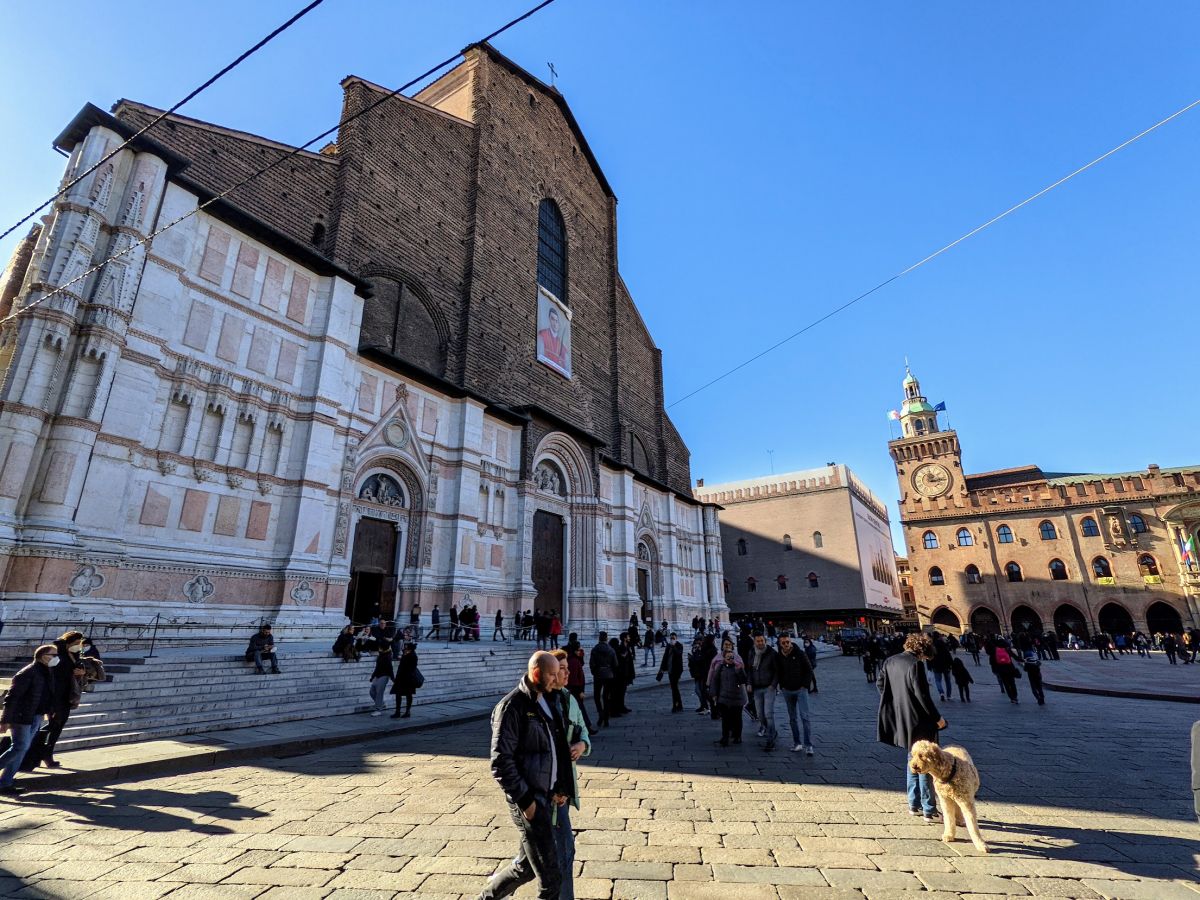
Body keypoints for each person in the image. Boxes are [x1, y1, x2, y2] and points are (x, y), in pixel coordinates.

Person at [479, 651, 572, 900]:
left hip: (545, 796)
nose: (557, 679)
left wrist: (559, 787)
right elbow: (500, 762)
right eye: (552, 674)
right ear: (536, 673)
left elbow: (555, 748)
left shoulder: (550, 700)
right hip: (530, 802)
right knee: (551, 879)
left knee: (525, 868)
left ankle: (486, 897)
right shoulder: (512, 707)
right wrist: (527, 803)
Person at [877, 632, 946, 822]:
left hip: (901, 718)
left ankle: (914, 804)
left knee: (913, 760)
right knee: (924, 762)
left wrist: (895, 701)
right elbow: (923, 697)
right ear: (922, 650)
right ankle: (929, 809)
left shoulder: (890, 661)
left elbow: (880, 684)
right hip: (919, 721)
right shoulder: (915, 665)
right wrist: (938, 718)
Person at [549, 649, 590, 900]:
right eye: (562, 668)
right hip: (542, 794)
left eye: (567, 668)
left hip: (562, 790)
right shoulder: (531, 702)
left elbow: (583, 731)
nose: (568, 672)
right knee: (531, 861)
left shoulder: (569, 700)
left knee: (561, 852)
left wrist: (582, 745)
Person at [0, 644, 58, 794]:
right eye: (53, 654)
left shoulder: (47, 672)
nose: (56, 658)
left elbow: (46, 695)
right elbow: (12, 698)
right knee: (20, 747)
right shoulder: (28, 672)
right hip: (21, 716)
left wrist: (50, 711)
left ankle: (5, 783)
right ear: (43, 656)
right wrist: (5, 719)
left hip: (36, 715)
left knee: (21, 749)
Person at [38, 631, 86, 768]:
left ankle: (45, 752)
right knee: (54, 725)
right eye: (76, 643)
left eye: (80, 643)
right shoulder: (57, 654)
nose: (78, 646)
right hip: (56, 696)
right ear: (68, 642)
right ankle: (43, 753)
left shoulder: (74, 655)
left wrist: (80, 673)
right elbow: (53, 675)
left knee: (57, 727)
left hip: (67, 696)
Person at [776, 632, 815, 755]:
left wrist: (805, 685)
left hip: (800, 689)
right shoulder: (779, 656)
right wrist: (781, 686)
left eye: (788, 642)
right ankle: (797, 743)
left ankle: (808, 745)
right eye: (783, 642)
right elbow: (778, 672)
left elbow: (809, 670)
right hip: (787, 690)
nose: (786, 644)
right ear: (780, 644)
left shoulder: (800, 653)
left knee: (805, 717)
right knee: (792, 718)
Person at [708, 648, 748, 747]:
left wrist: (740, 669)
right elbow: (715, 680)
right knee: (725, 719)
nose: (730, 659)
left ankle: (737, 736)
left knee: (737, 718)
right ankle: (725, 737)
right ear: (724, 658)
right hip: (724, 697)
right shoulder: (720, 667)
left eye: (732, 657)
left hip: (737, 698)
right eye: (728, 657)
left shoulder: (738, 666)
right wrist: (714, 694)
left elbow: (744, 680)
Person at [748, 632, 779, 752]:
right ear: (754, 642)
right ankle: (772, 731)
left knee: (768, 714)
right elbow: (749, 669)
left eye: (762, 641)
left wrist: (773, 685)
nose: (760, 643)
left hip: (768, 687)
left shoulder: (771, 653)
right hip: (756, 688)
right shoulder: (751, 653)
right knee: (760, 715)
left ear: (765, 641)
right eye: (758, 641)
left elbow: (777, 671)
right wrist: (749, 683)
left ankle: (770, 740)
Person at [588, 632, 616, 729]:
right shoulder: (611, 650)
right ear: (606, 638)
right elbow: (615, 664)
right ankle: (606, 717)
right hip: (609, 675)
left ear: (599, 638)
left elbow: (591, 663)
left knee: (596, 696)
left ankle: (601, 714)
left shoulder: (595, 649)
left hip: (598, 674)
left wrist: (594, 672)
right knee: (606, 697)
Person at [657, 632, 684, 712]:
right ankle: (679, 705)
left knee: (674, 688)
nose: (672, 640)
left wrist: (674, 646)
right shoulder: (668, 646)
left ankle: (676, 706)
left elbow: (679, 653)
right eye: (671, 638)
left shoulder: (679, 645)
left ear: (676, 638)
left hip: (677, 670)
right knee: (674, 688)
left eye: (673, 638)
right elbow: (665, 657)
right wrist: (661, 668)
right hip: (670, 670)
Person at [391, 642, 420, 718]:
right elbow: (401, 667)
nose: (404, 648)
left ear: (410, 649)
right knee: (398, 695)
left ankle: (407, 711)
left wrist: (404, 657)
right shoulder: (406, 655)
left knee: (408, 695)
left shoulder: (412, 656)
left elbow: (411, 668)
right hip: (400, 678)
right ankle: (398, 712)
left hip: (408, 679)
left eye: (406, 647)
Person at [368, 645, 394, 716]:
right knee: (372, 691)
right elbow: (377, 667)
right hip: (377, 675)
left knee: (379, 692)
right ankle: (381, 704)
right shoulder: (380, 655)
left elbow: (390, 668)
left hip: (384, 676)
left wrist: (392, 678)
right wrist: (372, 676)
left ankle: (378, 709)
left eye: (380, 648)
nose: (379, 649)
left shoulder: (388, 656)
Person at [929, 635, 954, 701]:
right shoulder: (945, 648)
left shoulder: (933, 648)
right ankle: (949, 696)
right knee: (948, 681)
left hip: (936, 666)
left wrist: (930, 666)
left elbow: (930, 658)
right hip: (946, 666)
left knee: (938, 681)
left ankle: (941, 693)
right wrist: (952, 665)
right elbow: (949, 657)